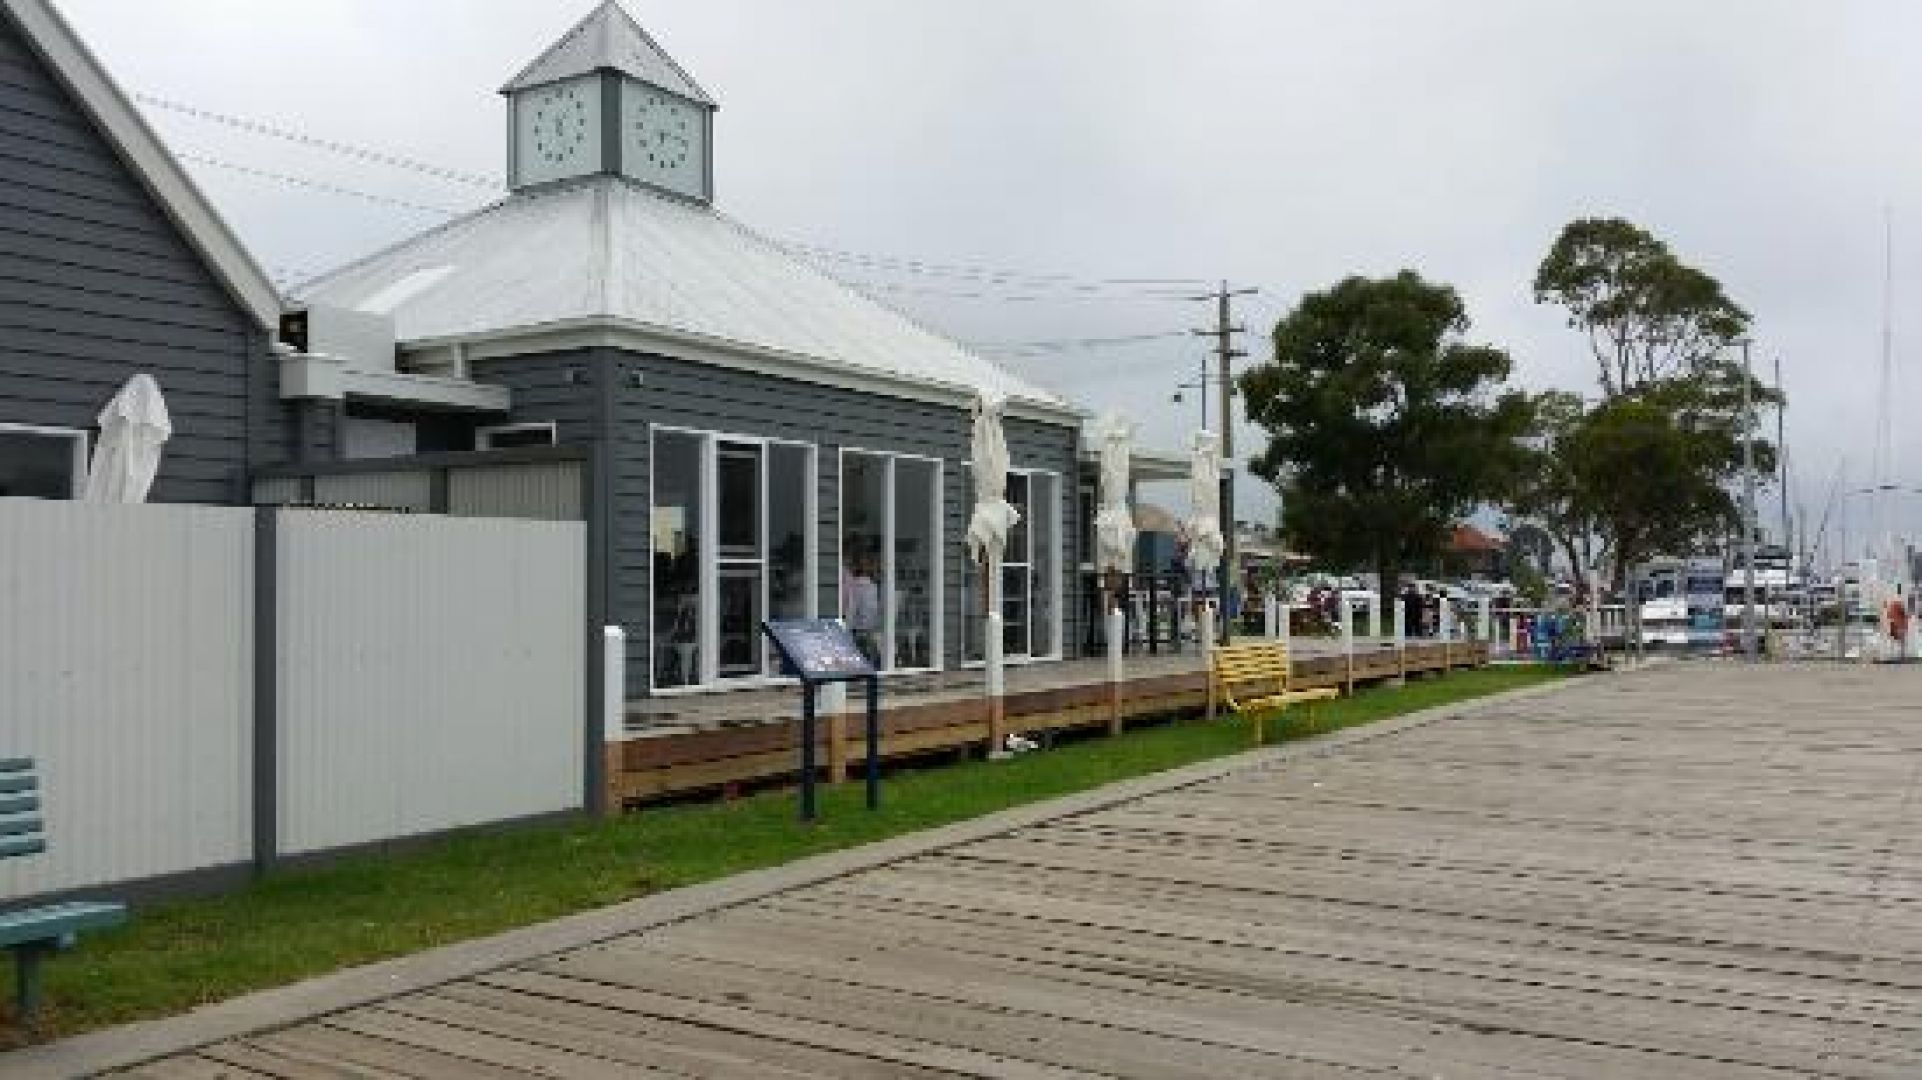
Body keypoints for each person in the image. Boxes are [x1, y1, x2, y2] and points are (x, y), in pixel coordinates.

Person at [843, 550, 882, 665]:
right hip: (863, 632)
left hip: (869, 631)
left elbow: (852, 610)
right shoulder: (858, 586)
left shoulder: (872, 586)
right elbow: (852, 610)